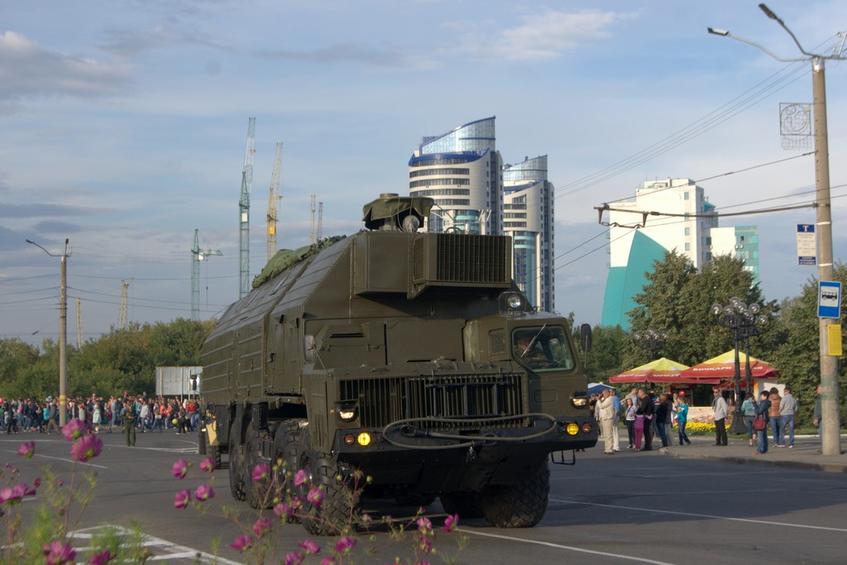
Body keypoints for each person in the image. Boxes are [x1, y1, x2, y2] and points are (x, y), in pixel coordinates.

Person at [598, 389, 616, 454]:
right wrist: (600, 399)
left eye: (605, 393)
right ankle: (607, 448)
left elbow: (601, 406)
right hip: (604, 418)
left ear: (608, 393)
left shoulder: (610, 399)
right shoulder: (604, 399)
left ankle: (610, 449)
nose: (603, 395)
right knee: (605, 435)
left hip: (608, 418)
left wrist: (598, 400)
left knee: (609, 434)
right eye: (603, 393)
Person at [754, 390, 771, 454]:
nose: (761, 397)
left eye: (762, 396)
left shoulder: (764, 403)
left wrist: (755, 405)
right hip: (764, 419)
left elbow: (759, 411)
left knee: (760, 436)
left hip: (761, 420)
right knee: (764, 435)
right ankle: (764, 449)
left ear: (765, 396)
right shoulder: (766, 402)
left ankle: (760, 449)